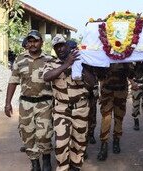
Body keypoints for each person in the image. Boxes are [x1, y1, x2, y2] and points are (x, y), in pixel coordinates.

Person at [4, 30, 53, 171]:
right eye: (30, 41)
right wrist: (7, 103)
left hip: (45, 103)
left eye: (36, 41)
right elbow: (12, 82)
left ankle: (46, 159)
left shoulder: (49, 59)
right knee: (27, 134)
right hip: (25, 104)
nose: (33, 44)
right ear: (27, 43)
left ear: (42, 42)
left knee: (44, 134)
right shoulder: (19, 60)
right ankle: (35, 163)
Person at [43, 34, 89, 171]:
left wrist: (80, 65)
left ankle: (76, 166)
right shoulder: (50, 63)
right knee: (61, 143)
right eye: (57, 47)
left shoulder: (82, 61)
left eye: (62, 45)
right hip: (61, 109)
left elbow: (92, 83)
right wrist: (66, 64)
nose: (60, 49)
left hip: (81, 108)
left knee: (79, 141)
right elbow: (47, 77)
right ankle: (63, 168)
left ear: (68, 45)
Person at [97, 63, 133, 161]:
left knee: (119, 117)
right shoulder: (105, 54)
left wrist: (126, 65)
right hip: (107, 91)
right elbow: (99, 75)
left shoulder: (126, 56)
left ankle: (116, 139)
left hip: (121, 91)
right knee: (106, 118)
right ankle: (104, 143)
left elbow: (131, 74)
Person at [129, 61, 143, 131]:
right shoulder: (134, 59)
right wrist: (132, 83)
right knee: (136, 106)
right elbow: (128, 73)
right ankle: (136, 121)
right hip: (136, 84)